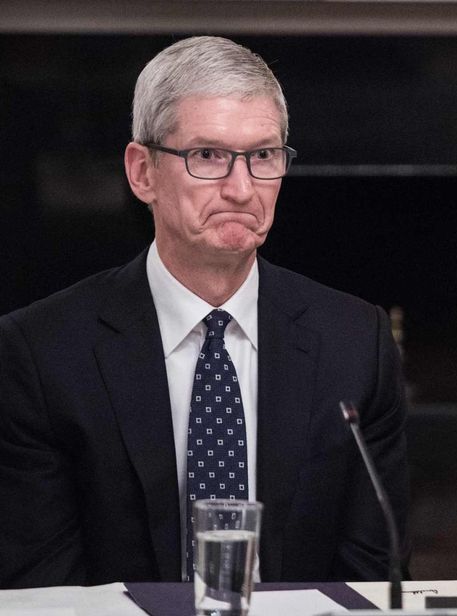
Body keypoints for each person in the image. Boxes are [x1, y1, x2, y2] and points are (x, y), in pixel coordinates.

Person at [0, 36, 409, 588]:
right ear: (142, 172)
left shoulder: (355, 342)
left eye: (263, 156)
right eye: (208, 156)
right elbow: (41, 591)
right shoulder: (41, 352)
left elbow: (374, 575)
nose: (242, 188)